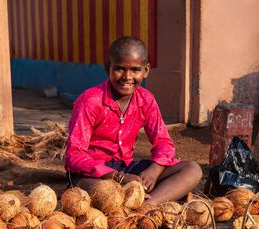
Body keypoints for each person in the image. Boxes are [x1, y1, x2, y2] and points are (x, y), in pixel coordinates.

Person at [65, 36, 202, 205]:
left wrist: (153, 171)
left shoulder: (146, 100)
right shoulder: (91, 101)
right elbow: (74, 155)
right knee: (104, 192)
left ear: (146, 70)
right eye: (120, 69)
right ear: (108, 67)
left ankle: (147, 206)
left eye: (135, 70)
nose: (127, 77)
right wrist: (118, 178)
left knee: (192, 169)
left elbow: (164, 143)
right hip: (93, 174)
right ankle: (132, 202)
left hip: (128, 168)